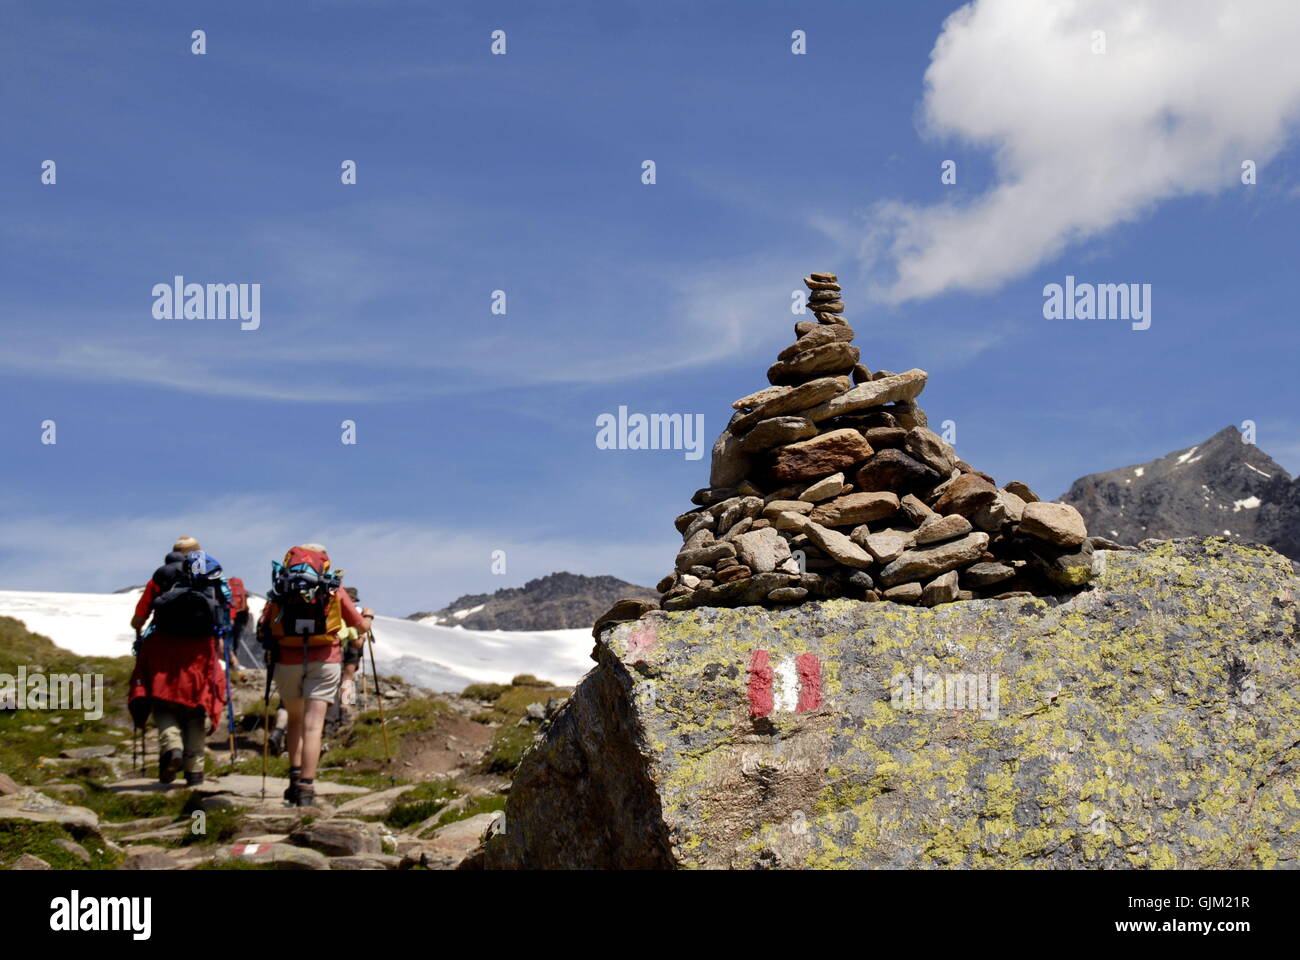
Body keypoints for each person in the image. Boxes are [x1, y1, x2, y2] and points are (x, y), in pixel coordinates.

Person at [258, 544, 373, 807]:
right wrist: (369, 616)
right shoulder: (332, 588)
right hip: (325, 660)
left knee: (295, 721)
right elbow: (359, 625)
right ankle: (306, 788)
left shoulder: (281, 588)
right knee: (313, 725)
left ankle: (293, 779)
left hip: (287, 659)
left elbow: (265, 626)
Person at [128, 537, 230, 787]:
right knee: (196, 707)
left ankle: (172, 747)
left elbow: (140, 616)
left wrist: (138, 627)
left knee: (163, 703)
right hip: (200, 650)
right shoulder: (210, 576)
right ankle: (194, 772)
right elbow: (226, 610)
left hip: (163, 647)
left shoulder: (161, 577)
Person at [327, 586, 369, 729]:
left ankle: (338, 707)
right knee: (348, 675)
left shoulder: (337, 608)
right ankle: (344, 705)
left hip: (339, 644)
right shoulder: (357, 612)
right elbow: (359, 636)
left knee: (342, 676)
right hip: (352, 643)